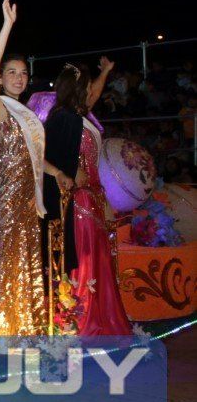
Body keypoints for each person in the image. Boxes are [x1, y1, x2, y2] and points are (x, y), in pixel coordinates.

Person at [0, 0, 71, 336]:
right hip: (4, 198)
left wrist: (57, 172)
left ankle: (23, 325)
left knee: (23, 260)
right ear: (1, 79)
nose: (18, 78)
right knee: (4, 261)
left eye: (23, 73)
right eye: (11, 73)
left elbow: (32, 157)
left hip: (28, 200)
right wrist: (7, 26)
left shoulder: (27, 115)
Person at [43, 57, 131, 336]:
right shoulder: (62, 118)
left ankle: (98, 315)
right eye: (87, 85)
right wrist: (71, 169)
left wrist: (105, 72)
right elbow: (49, 155)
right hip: (78, 199)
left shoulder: (77, 115)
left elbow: (91, 99)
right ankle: (81, 320)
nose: (91, 91)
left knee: (97, 256)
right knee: (85, 257)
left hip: (92, 195)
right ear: (77, 88)